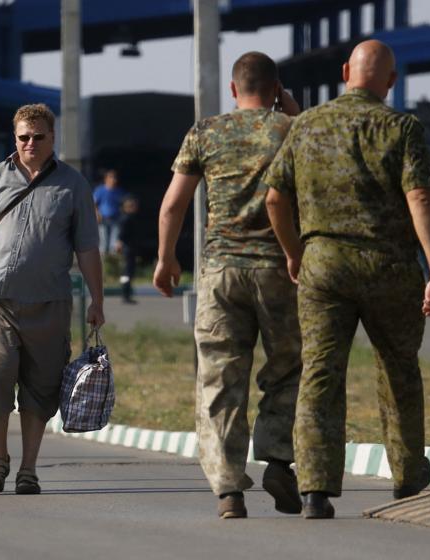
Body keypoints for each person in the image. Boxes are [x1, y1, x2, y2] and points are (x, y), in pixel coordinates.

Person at [264, 40, 430, 519]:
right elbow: (421, 199)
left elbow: (274, 200)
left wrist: (294, 253)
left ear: (346, 71)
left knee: (321, 373)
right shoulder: (401, 127)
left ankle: (315, 490)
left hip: (324, 264)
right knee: (399, 369)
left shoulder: (305, 125)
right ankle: (408, 479)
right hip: (390, 268)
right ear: (391, 81)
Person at [154, 52, 303, 519]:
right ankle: (278, 459)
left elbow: (173, 204)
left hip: (221, 272)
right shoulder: (292, 130)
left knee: (220, 378)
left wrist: (165, 258)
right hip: (282, 271)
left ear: (234, 89)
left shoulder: (206, 131)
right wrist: (293, 113)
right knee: (286, 368)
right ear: (276, 89)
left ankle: (228, 489)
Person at [0, 103, 104, 495]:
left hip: (50, 303)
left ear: (53, 139)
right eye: (23, 137)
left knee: (42, 385)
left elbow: (87, 249)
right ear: (14, 138)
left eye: (38, 137)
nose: (30, 143)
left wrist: (97, 300)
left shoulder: (73, 185)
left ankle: (29, 468)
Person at [93, 169, 125, 254]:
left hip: (116, 219)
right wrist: (97, 214)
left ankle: (112, 261)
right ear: (106, 179)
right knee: (103, 241)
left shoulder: (119, 191)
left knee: (114, 241)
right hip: (103, 219)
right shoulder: (100, 190)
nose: (114, 180)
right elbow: (93, 203)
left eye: (115, 177)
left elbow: (123, 204)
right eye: (111, 177)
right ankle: (102, 262)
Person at [115, 197, 140, 304]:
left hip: (129, 248)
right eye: (133, 206)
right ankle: (125, 294)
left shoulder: (129, 218)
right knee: (127, 273)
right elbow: (121, 235)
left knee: (127, 273)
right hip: (128, 249)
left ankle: (126, 293)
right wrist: (119, 243)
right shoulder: (127, 219)